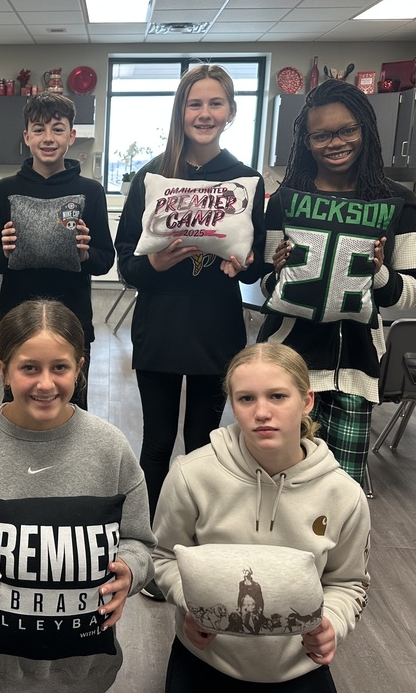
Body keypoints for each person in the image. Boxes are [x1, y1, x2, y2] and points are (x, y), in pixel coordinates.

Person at [0, 299, 155, 693]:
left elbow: (138, 541)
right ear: (4, 370)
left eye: (59, 368)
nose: (45, 384)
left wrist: (130, 571)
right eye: (29, 368)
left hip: (86, 670)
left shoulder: (110, 447)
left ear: (79, 368)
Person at [114, 64, 265, 597]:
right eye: (194, 104)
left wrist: (245, 265)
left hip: (216, 331)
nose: (204, 113)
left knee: (203, 445)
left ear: (231, 111)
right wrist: (153, 266)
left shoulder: (245, 180)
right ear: (180, 112)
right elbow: (126, 264)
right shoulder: (151, 176)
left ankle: (193, 546)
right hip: (160, 326)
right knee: (156, 443)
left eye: (215, 103)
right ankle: (147, 547)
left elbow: (256, 267)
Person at [152, 342, 371, 692]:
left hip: (299, 666)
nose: (262, 412)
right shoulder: (191, 475)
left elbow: (348, 581)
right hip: (205, 659)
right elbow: (162, 555)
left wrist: (333, 621)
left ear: (307, 401)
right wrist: (189, 604)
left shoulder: (343, 494)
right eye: (246, 399)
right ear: (232, 405)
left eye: (278, 396)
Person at [258, 78, 416, 484]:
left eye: (347, 130)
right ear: (306, 141)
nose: (335, 143)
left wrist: (378, 272)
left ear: (365, 129)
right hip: (287, 364)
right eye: (321, 135)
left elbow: (411, 293)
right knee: (281, 482)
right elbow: (264, 285)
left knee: (341, 489)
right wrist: (277, 273)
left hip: (356, 369)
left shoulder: (397, 203)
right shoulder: (285, 200)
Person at [0, 93, 114, 410]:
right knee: (16, 404)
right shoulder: (5, 190)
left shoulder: (90, 191)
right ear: (26, 137)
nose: (48, 138)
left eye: (58, 129)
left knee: (73, 406)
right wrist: (5, 252)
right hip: (17, 318)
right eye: (39, 129)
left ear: (71, 135)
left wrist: (85, 255)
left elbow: (105, 260)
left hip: (73, 318)